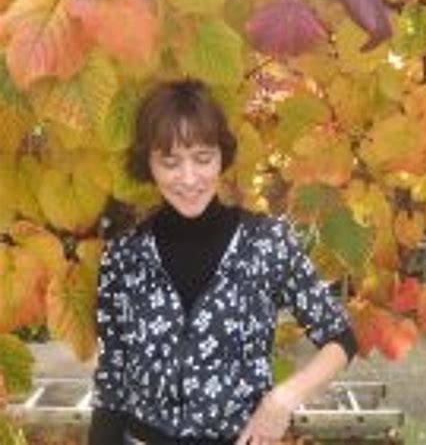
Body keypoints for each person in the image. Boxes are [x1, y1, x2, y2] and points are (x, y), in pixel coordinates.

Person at [88, 79, 357, 445]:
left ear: (221, 157)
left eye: (203, 159)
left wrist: (283, 399)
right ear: (148, 164)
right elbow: (112, 382)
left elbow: (340, 337)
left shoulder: (266, 243)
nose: (189, 178)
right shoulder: (124, 257)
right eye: (170, 162)